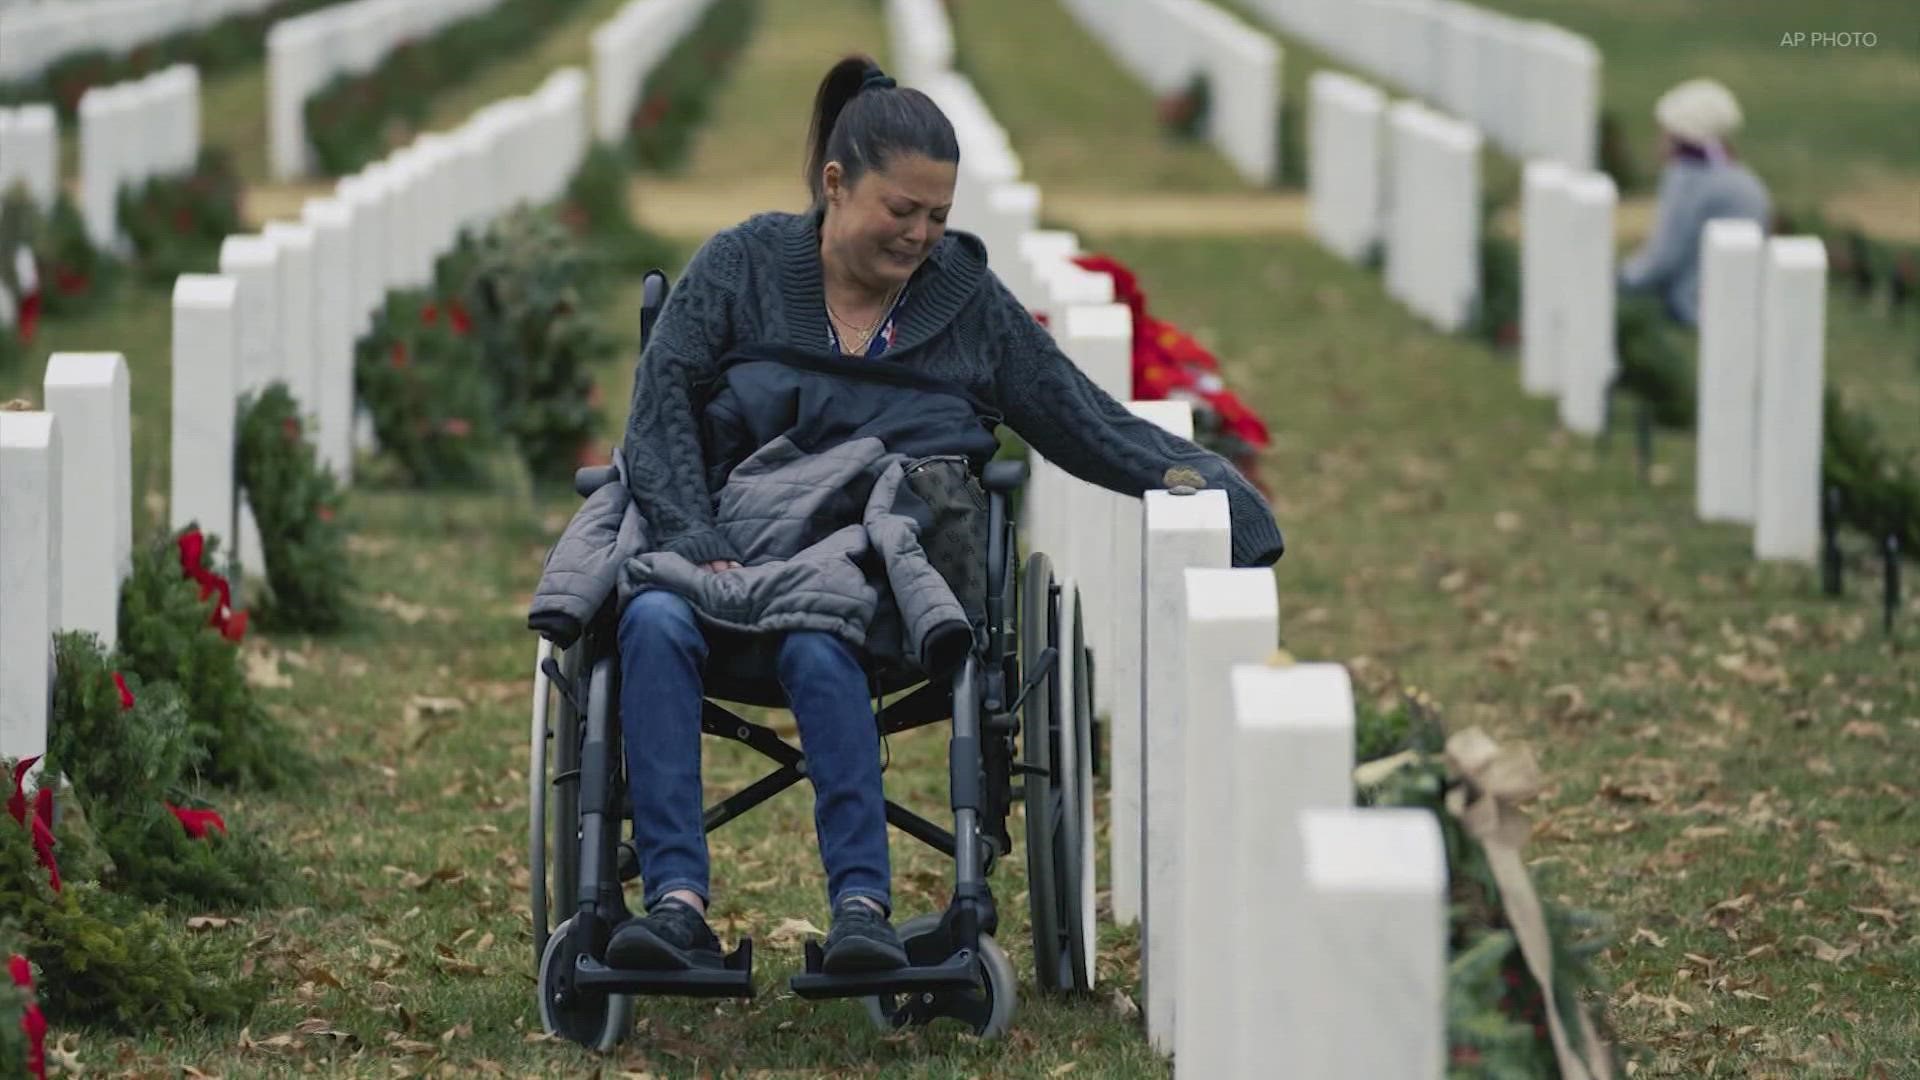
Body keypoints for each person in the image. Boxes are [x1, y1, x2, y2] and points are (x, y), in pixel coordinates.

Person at [607, 55, 1284, 975]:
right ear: (837, 185)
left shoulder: (965, 305)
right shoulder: (742, 266)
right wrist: (693, 538)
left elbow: (1074, 417)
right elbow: (657, 412)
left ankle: (861, 912)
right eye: (902, 211)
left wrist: (1203, 479)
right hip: (723, 554)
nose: (921, 235)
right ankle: (676, 904)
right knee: (646, 616)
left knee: (821, 637)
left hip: (879, 578)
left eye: (938, 216)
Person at [1618, 77, 1772, 327]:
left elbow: (1663, 258)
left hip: (1692, 304)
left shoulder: (1689, 178)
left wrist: (1621, 280)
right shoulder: (1738, 177)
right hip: (1745, 301)